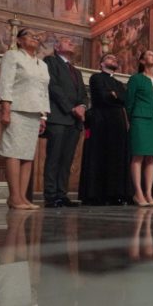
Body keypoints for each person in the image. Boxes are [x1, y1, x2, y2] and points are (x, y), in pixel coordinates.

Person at [0, 28, 50, 210]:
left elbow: (44, 91)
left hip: (34, 112)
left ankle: (22, 197)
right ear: (19, 40)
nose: (35, 37)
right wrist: (5, 108)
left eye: (37, 36)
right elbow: (6, 82)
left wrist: (43, 115)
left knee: (28, 155)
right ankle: (14, 196)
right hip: (17, 109)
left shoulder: (42, 65)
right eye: (29, 35)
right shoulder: (12, 56)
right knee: (13, 152)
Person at [79, 54, 131, 205]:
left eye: (115, 58)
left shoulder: (119, 83)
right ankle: (96, 194)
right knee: (99, 155)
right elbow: (103, 97)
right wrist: (114, 96)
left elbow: (123, 99)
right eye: (109, 58)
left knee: (117, 157)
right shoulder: (96, 78)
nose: (114, 59)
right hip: (101, 121)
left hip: (118, 122)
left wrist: (115, 96)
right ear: (101, 64)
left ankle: (115, 194)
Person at [42, 36, 87, 208]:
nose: (72, 43)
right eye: (67, 41)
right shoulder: (50, 62)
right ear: (56, 46)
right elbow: (53, 87)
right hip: (59, 117)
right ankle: (51, 196)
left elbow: (83, 93)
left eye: (72, 42)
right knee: (54, 158)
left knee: (67, 159)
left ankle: (62, 194)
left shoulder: (76, 71)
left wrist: (82, 106)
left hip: (74, 122)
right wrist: (71, 108)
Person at [126, 50, 153, 207]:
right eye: (149, 54)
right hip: (139, 119)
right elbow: (129, 102)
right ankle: (138, 193)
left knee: (151, 157)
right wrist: (130, 120)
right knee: (138, 156)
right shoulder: (136, 79)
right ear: (141, 61)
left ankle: (148, 193)